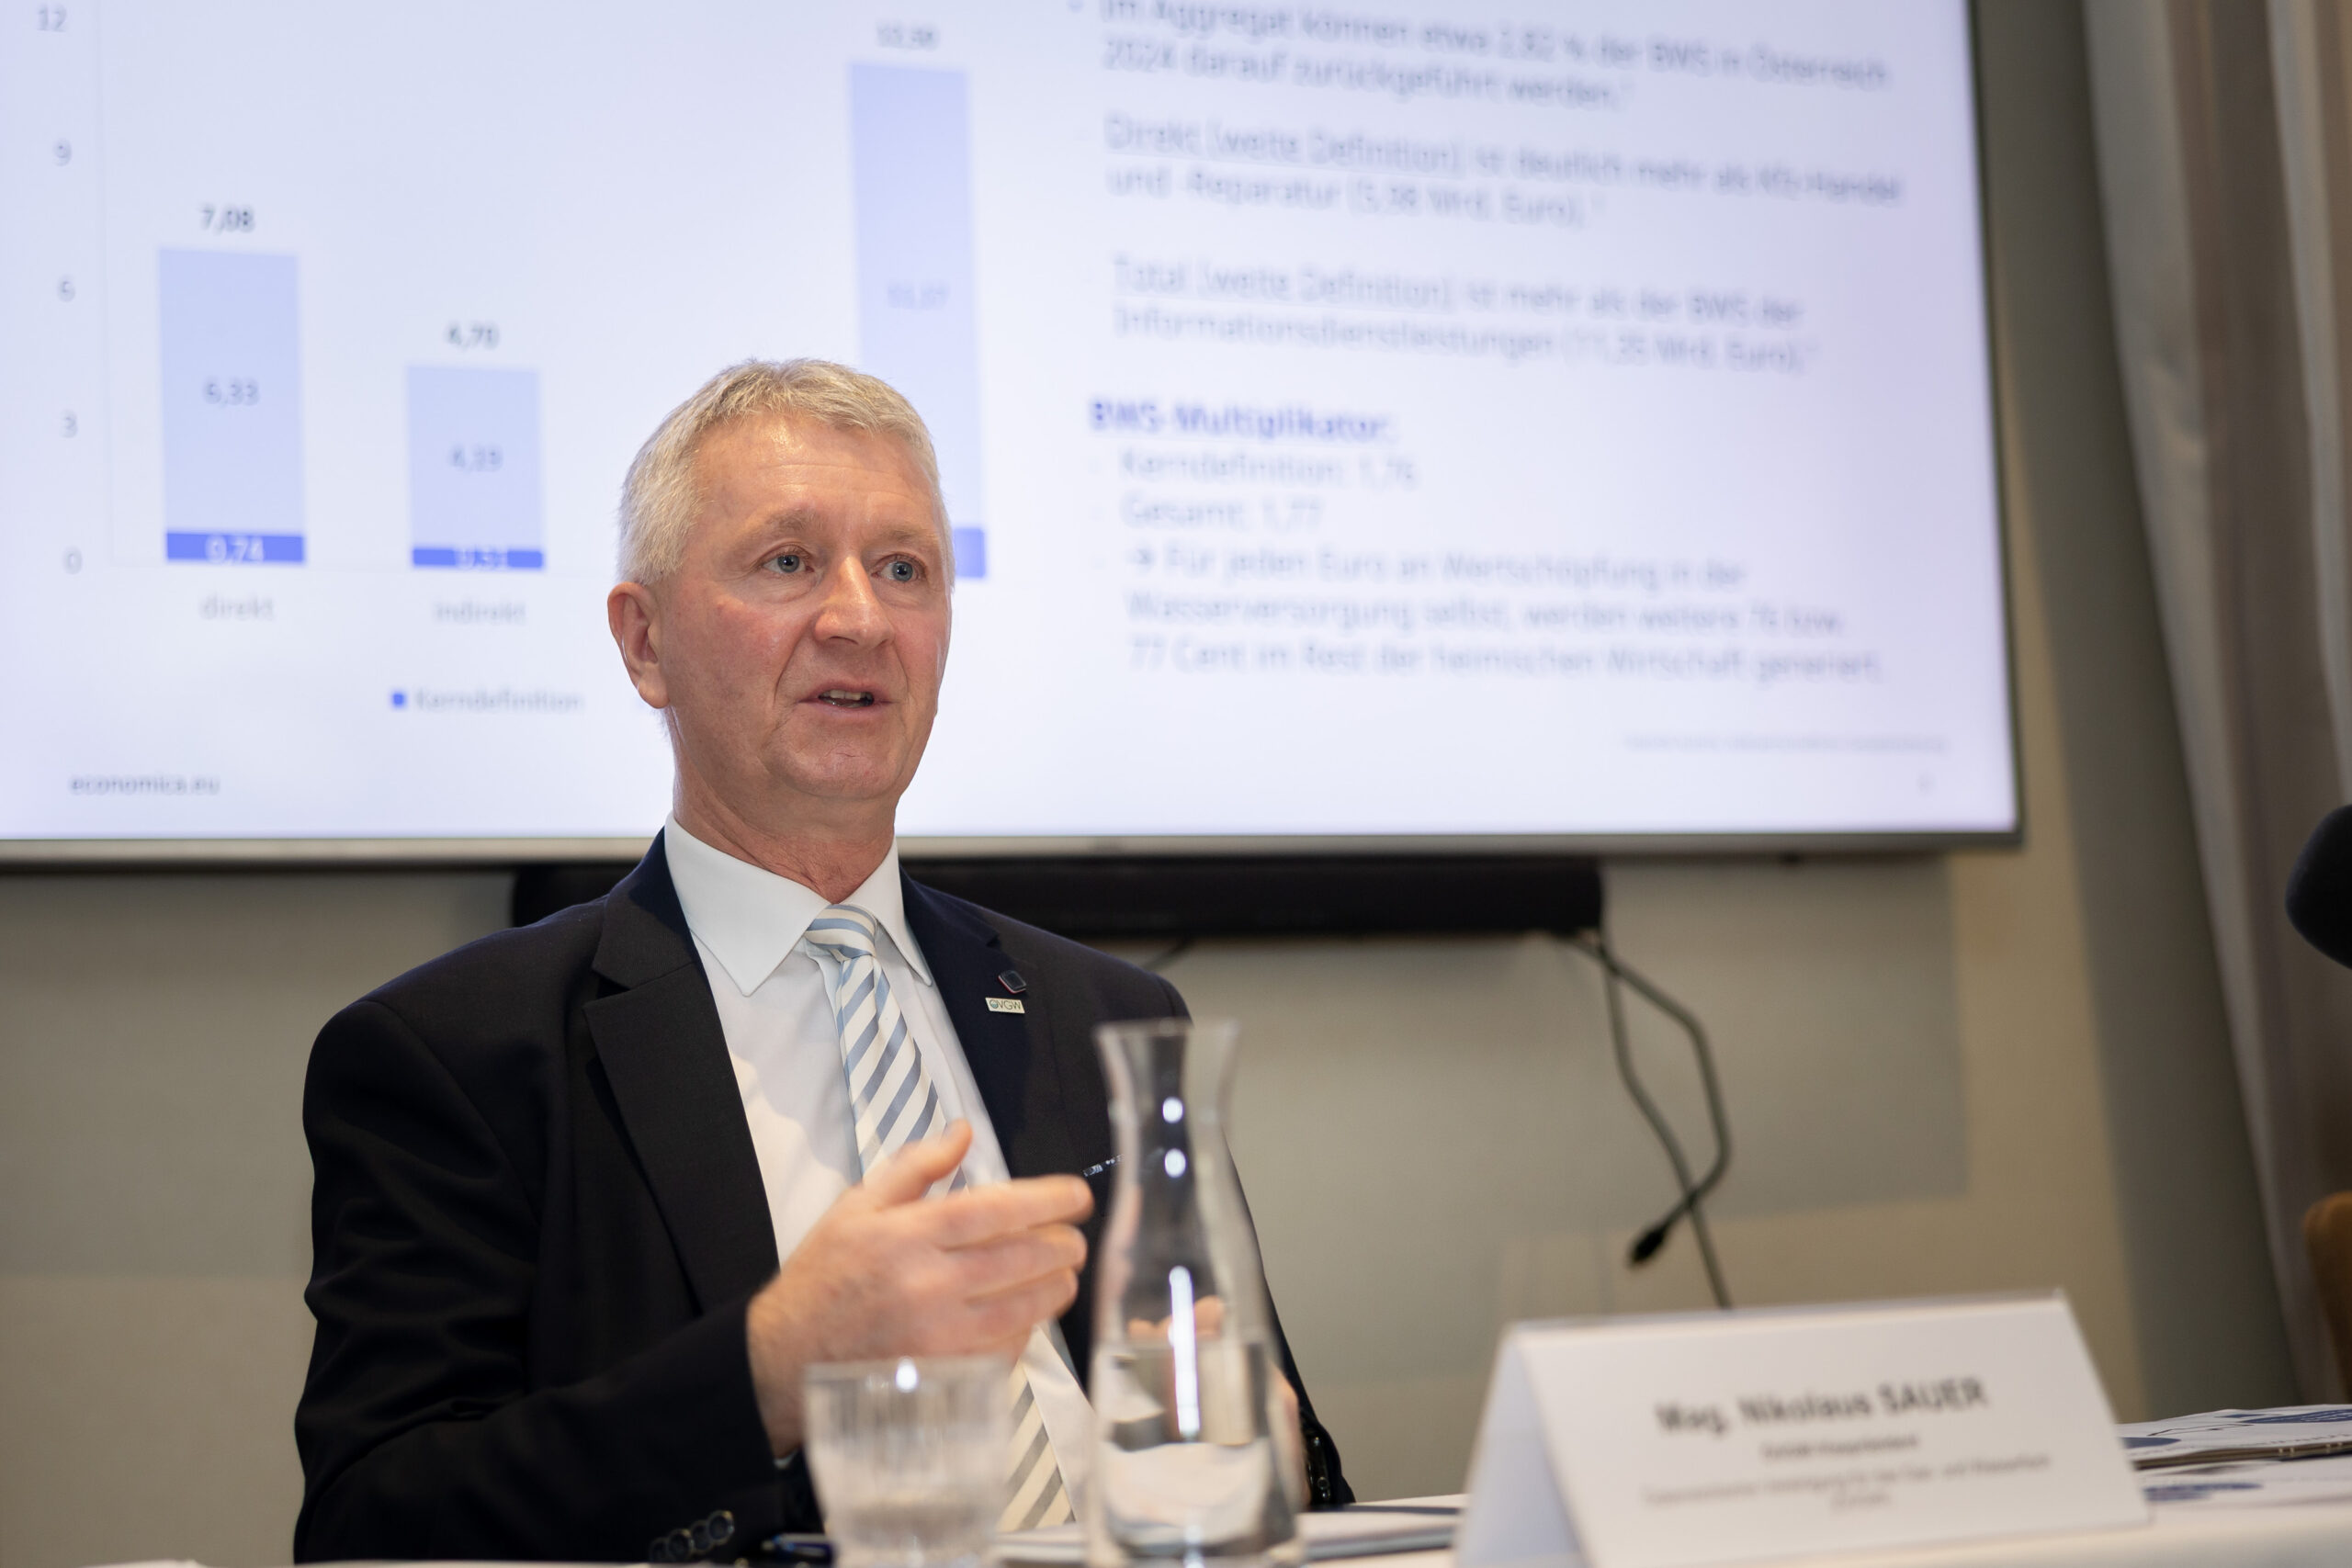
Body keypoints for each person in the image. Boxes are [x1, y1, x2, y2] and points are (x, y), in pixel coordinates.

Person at [292, 360, 1350, 1562]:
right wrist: (768, 1370)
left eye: (904, 570)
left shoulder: (1101, 1013)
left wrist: (1269, 1453)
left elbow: (1295, 1466)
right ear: (645, 642)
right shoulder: (459, 1054)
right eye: (789, 562)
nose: (860, 619)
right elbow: (373, 1523)